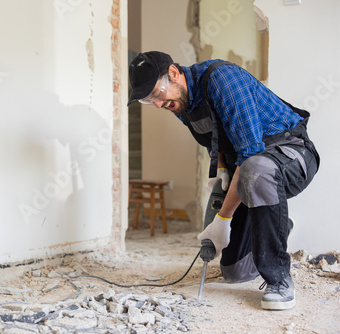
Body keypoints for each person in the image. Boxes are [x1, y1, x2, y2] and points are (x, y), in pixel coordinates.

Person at [127, 51, 320, 310]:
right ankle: (278, 224)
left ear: (173, 73)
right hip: (252, 168)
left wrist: (224, 219)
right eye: (150, 101)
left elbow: (251, 153)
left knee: (255, 169)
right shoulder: (181, 102)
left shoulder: (222, 79)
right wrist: (221, 171)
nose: (159, 104)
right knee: (234, 271)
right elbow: (215, 139)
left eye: (158, 94)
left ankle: (279, 279)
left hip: (292, 153)